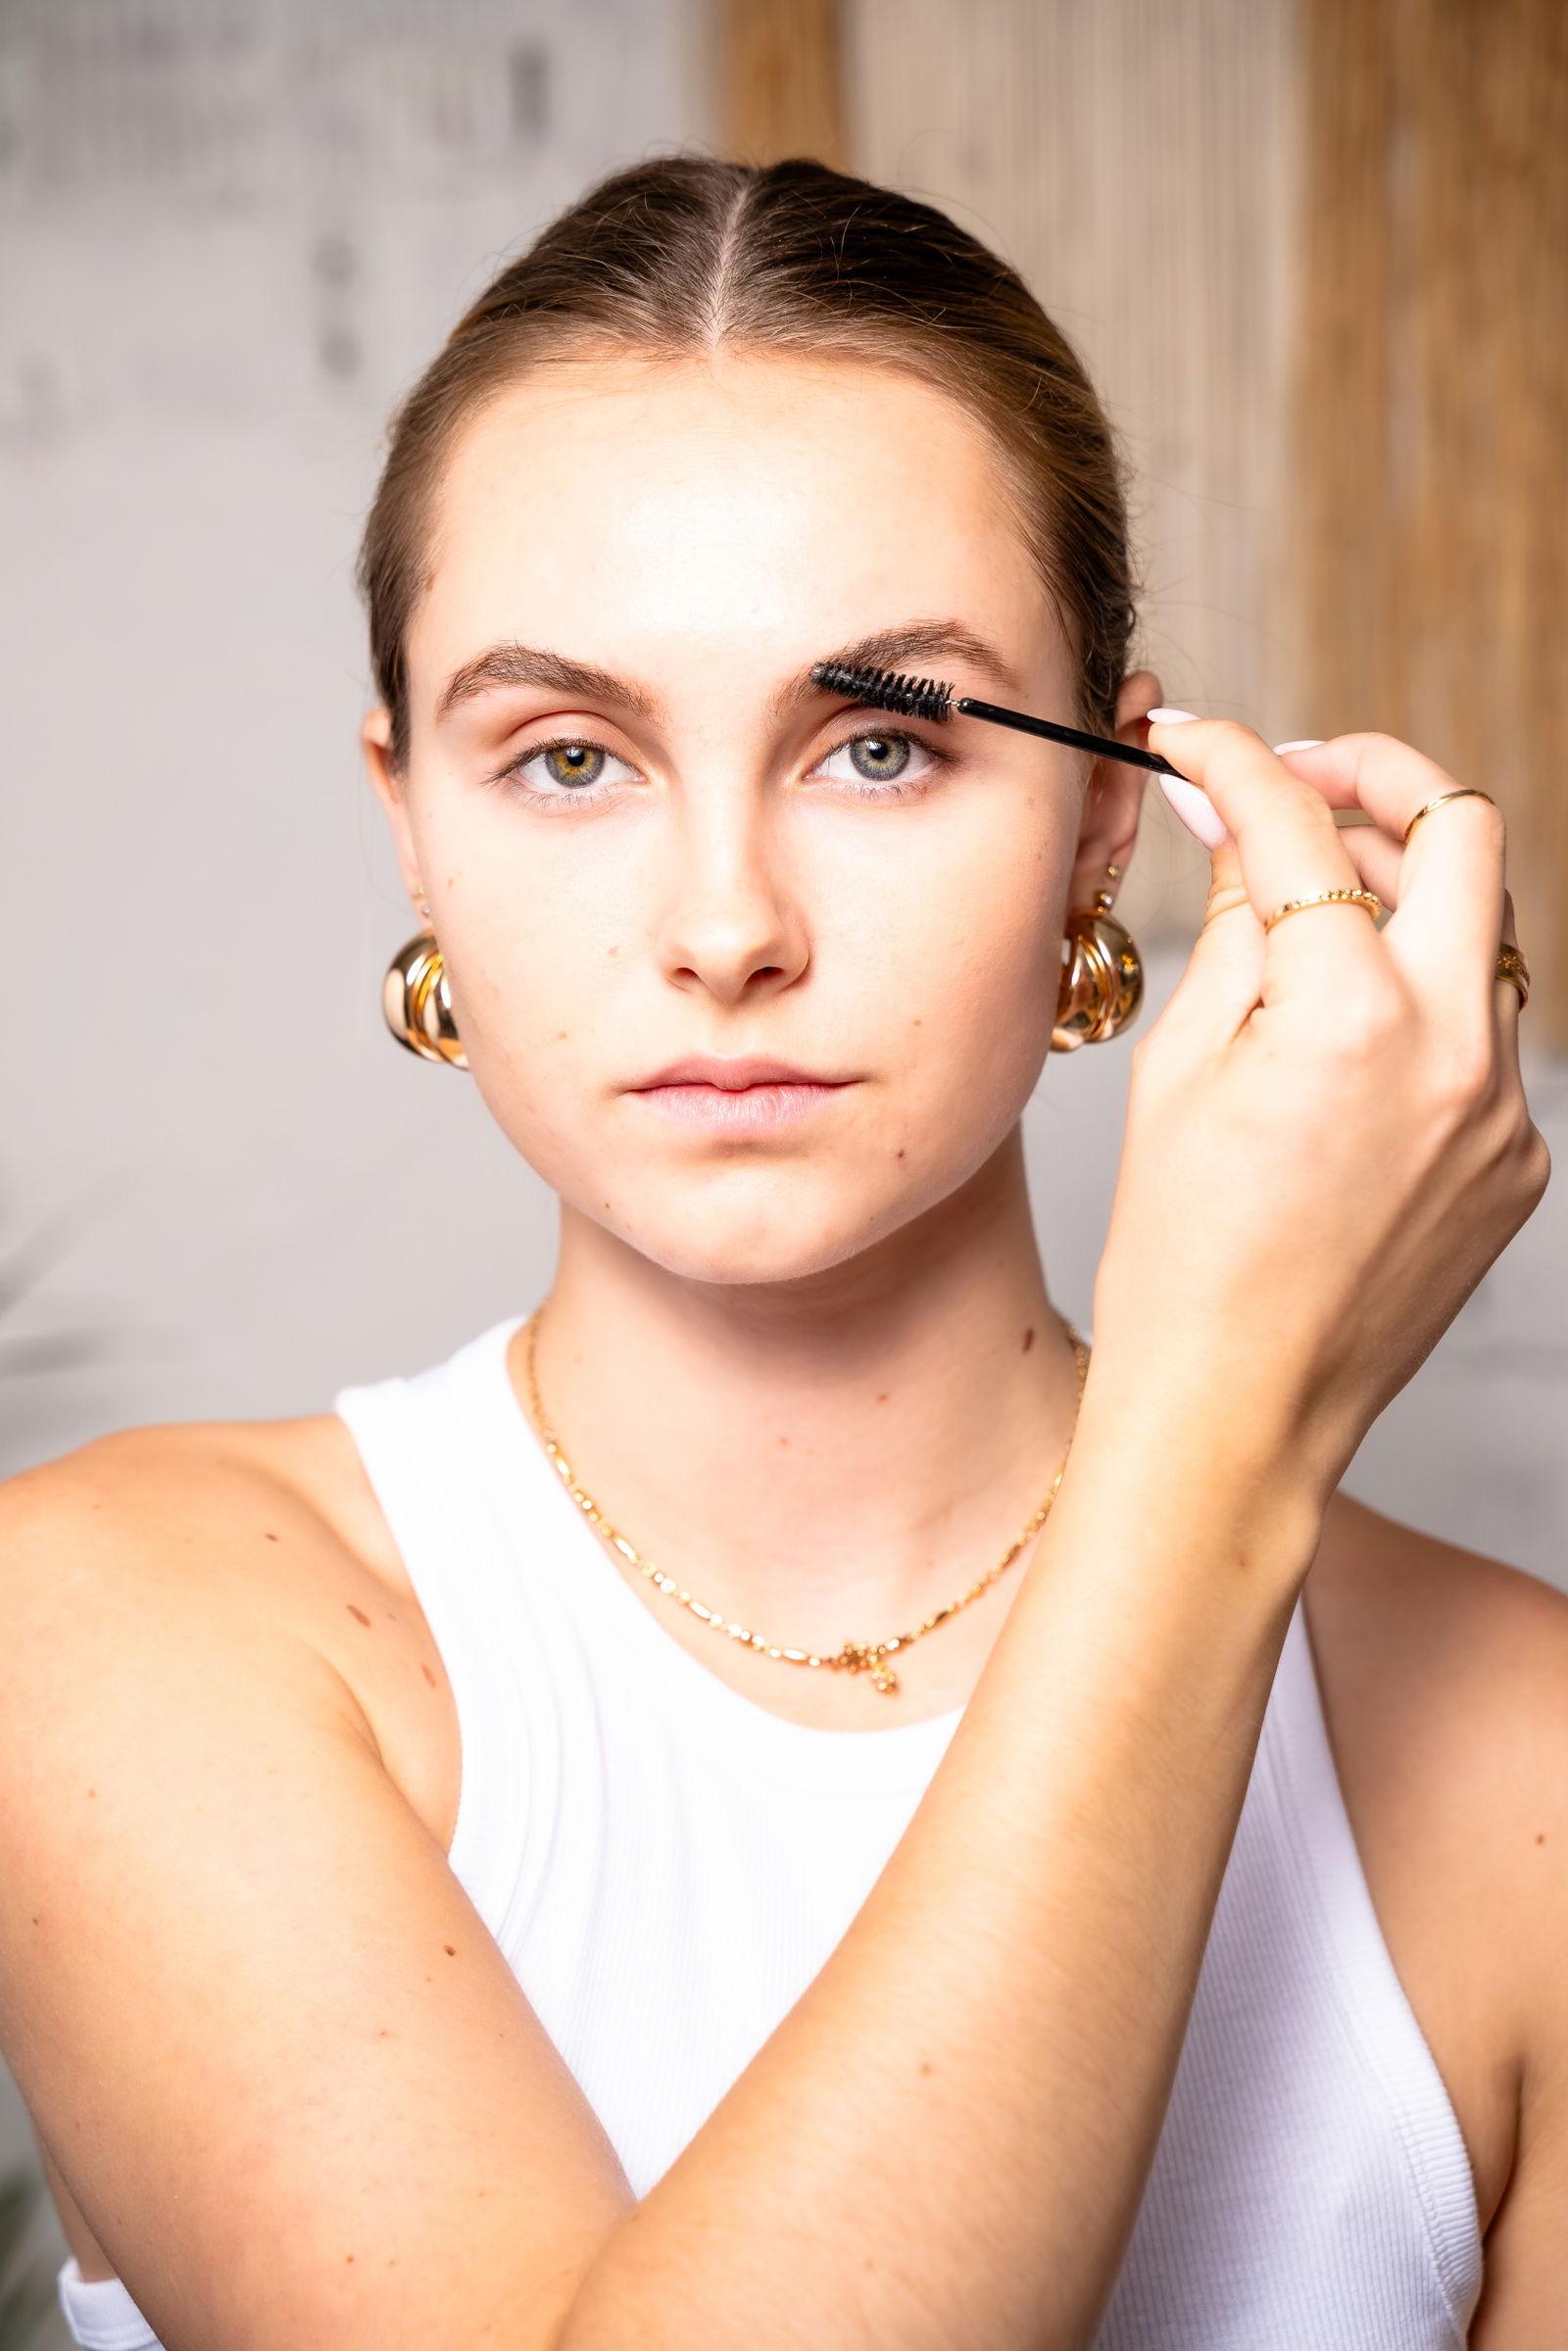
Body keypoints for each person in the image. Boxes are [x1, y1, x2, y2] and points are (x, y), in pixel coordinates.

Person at [0, 155, 1559, 2351]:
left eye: (881, 743)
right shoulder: (121, 1627)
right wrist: (1220, 1429)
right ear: (409, 825)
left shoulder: (1522, 1764)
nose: (727, 927)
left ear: (1107, 811)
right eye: (565, 758)